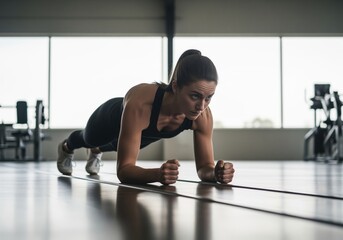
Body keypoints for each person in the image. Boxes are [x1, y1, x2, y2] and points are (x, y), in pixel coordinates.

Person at [57, 49, 235, 185]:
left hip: (141, 134)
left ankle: (97, 151)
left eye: (209, 97)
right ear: (175, 87)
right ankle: (66, 146)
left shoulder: (202, 116)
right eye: (194, 96)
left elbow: (205, 168)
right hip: (109, 119)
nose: (201, 106)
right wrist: (157, 174)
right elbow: (124, 170)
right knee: (88, 139)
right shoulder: (141, 103)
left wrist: (216, 174)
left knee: (115, 146)